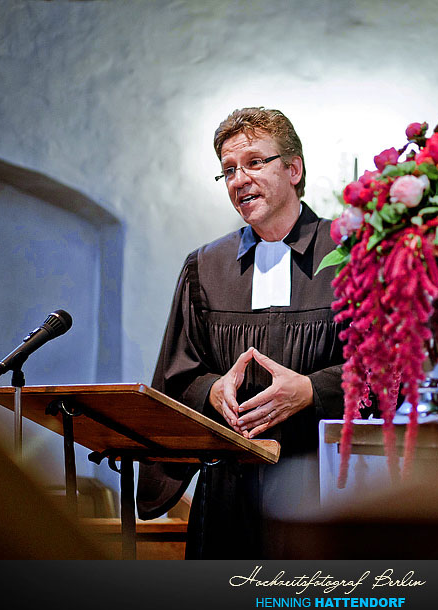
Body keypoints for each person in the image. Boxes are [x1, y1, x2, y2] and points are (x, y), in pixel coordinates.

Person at [136, 107, 344, 558]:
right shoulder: (205, 266)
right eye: (229, 170)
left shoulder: (352, 253)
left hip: (327, 486)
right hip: (230, 491)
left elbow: (390, 367)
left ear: (293, 168)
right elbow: (177, 376)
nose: (239, 179)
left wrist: (311, 389)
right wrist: (213, 391)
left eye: (253, 162)